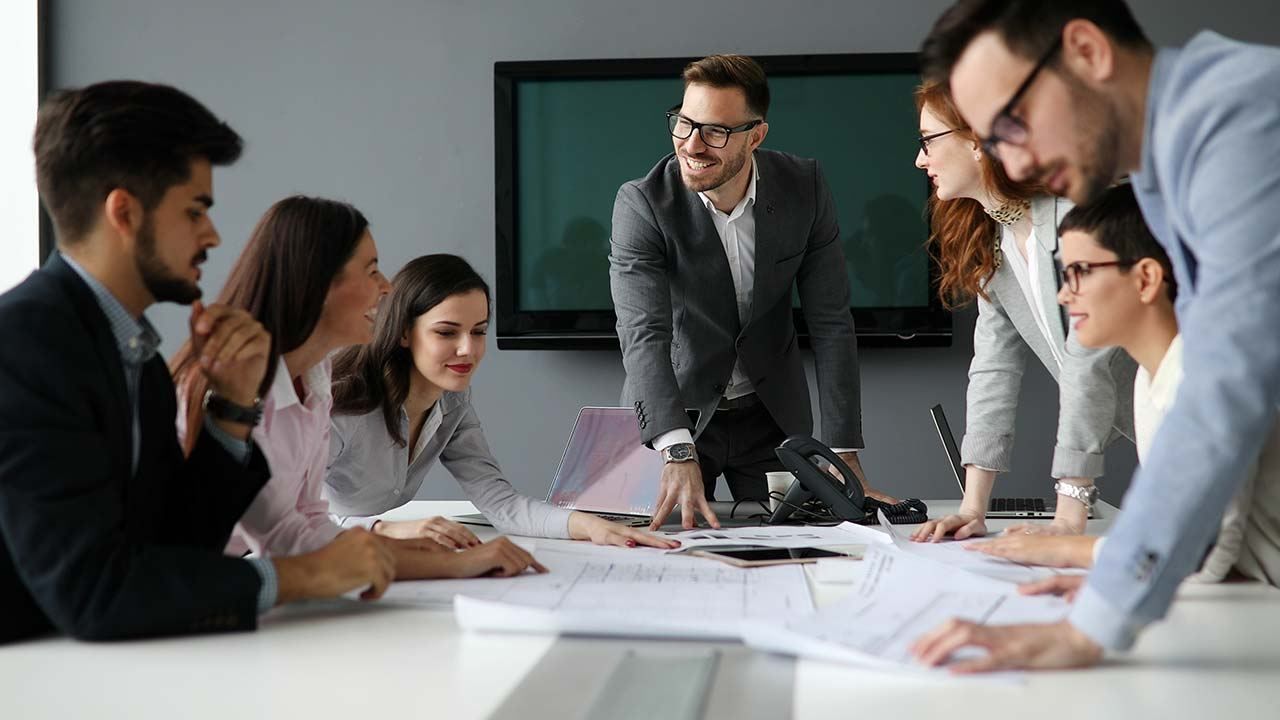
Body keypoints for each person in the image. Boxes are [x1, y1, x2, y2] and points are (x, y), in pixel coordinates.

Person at [912, 0, 1280, 671]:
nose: (1010, 158)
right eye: (994, 141)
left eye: (1011, 124)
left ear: (1087, 51)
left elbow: (1225, 378)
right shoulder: (1163, 176)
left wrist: (1097, 612)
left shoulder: (1242, 118)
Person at [0, 81, 395, 643]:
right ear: (125, 213)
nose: (212, 234)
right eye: (195, 210)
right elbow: (92, 591)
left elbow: (173, 550)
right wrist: (300, 576)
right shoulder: (24, 345)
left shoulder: (138, 360)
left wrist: (233, 409)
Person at [172, 198, 545, 580]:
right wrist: (445, 560)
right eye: (371, 271)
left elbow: (304, 529)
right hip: (191, 597)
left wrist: (438, 559)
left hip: (221, 591)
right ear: (316, 283)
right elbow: (278, 540)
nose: (385, 288)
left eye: (478, 331)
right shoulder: (243, 390)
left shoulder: (315, 384)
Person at [609, 53, 894, 531]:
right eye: (684, 123)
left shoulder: (805, 187)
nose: (693, 144)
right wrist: (676, 449)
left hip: (773, 419)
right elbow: (643, 333)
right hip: (676, 417)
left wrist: (844, 453)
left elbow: (831, 324)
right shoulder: (642, 204)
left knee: (794, 553)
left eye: (716, 131)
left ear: (756, 136)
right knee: (665, 555)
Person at [966, 185, 1280, 586]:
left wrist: (1069, 550)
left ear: (1146, 278)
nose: (1063, 294)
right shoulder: (1152, 380)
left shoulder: (1204, 377)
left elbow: (1202, 552)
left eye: (1079, 272)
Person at [908, 81, 1134, 543]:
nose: (920, 159)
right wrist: (973, 508)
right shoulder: (994, 237)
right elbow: (994, 367)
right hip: (1159, 427)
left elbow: (1088, 357)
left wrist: (1071, 511)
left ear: (976, 140)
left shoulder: (1077, 212)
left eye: (928, 140)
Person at [326, 254, 679, 550]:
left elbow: (499, 501)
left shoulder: (453, 402)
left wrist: (590, 527)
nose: (468, 349)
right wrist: (382, 529)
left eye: (478, 331)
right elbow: (282, 519)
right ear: (404, 332)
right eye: (446, 332)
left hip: (364, 556)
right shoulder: (341, 407)